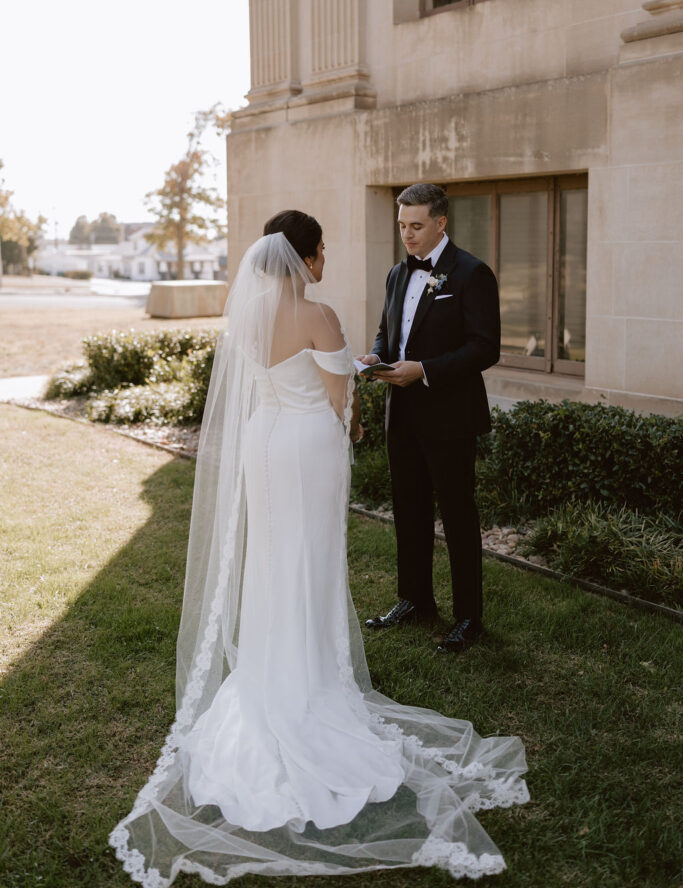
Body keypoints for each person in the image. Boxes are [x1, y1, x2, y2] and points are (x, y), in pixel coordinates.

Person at [110, 210, 527, 887]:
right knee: (307, 560)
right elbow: (339, 399)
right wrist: (355, 418)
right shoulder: (319, 314)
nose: (326, 257)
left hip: (261, 444)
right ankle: (307, 687)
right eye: (322, 248)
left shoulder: (243, 313)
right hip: (307, 447)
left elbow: (258, 381)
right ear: (303, 256)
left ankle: (272, 671)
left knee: (274, 561)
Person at [358, 184, 500, 653]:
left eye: (416, 226)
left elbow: (485, 347)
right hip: (402, 414)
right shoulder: (398, 273)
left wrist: (426, 370)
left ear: (441, 223)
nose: (408, 235)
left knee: (458, 515)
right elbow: (387, 331)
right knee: (408, 509)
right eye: (402, 226)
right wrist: (376, 357)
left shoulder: (473, 273)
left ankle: (468, 618)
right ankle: (415, 599)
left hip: (450, 416)